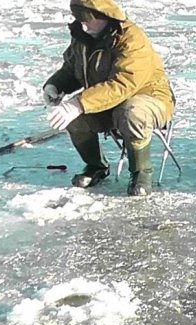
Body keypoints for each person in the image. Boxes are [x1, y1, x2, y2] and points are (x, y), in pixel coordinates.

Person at [42, 0, 175, 196]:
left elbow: (124, 83)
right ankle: (96, 166)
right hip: (106, 102)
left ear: (105, 17)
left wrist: (79, 103)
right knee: (74, 118)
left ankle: (141, 173)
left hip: (149, 99)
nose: (83, 26)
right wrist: (54, 85)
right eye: (80, 20)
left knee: (131, 112)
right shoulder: (83, 36)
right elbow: (71, 68)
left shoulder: (131, 39)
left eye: (88, 21)